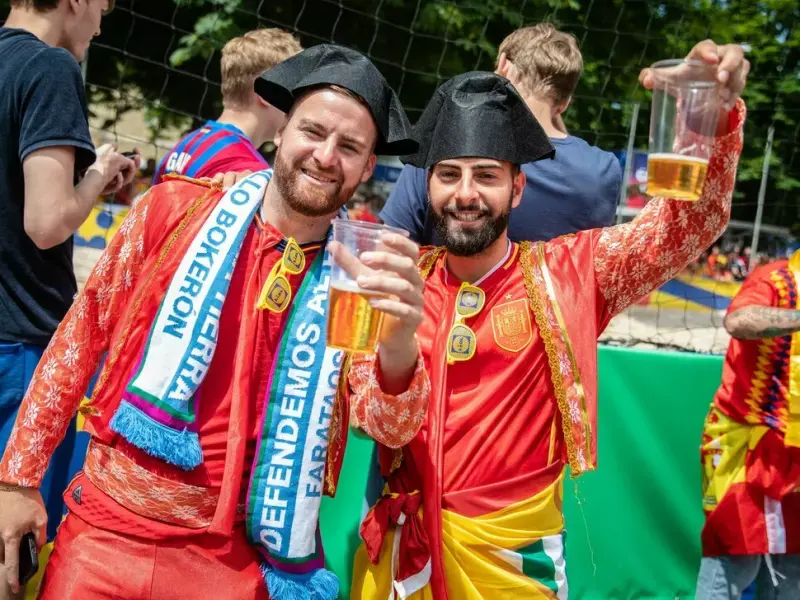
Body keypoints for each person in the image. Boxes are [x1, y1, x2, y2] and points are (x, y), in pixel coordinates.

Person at [0, 44, 430, 600]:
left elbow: (389, 427)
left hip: (234, 560)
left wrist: (398, 341)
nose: (326, 156)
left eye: (349, 147)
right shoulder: (172, 211)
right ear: (281, 129)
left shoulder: (361, 273)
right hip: (106, 534)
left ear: (370, 166)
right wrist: (16, 479)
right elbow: (79, 338)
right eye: (313, 132)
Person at [351, 38, 749, 599]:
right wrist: (395, 345)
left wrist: (711, 116)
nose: (466, 194)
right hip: (399, 561)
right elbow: (380, 427)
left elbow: (686, 226)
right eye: (449, 175)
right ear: (428, 185)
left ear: (518, 187)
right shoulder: (398, 281)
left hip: (515, 566)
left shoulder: (571, 273)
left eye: (486, 175)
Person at [0, 0, 137, 565]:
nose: (105, 18)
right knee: (20, 551)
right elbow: (47, 221)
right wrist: (98, 175)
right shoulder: (50, 67)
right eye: (104, 2)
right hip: (24, 347)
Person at [380, 23, 622, 245]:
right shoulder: (602, 171)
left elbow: (391, 246)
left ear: (503, 67)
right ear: (565, 103)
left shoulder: (442, 147)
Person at [696, 249, 800, 599]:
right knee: (734, 558)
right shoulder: (777, 280)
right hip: (747, 445)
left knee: (792, 567)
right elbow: (738, 321)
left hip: (794, 453)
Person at [153, 28, 302, 184]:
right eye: (293, 90)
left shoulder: (183, 146)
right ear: (266, 92)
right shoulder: (249, 173)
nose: (296, 102)